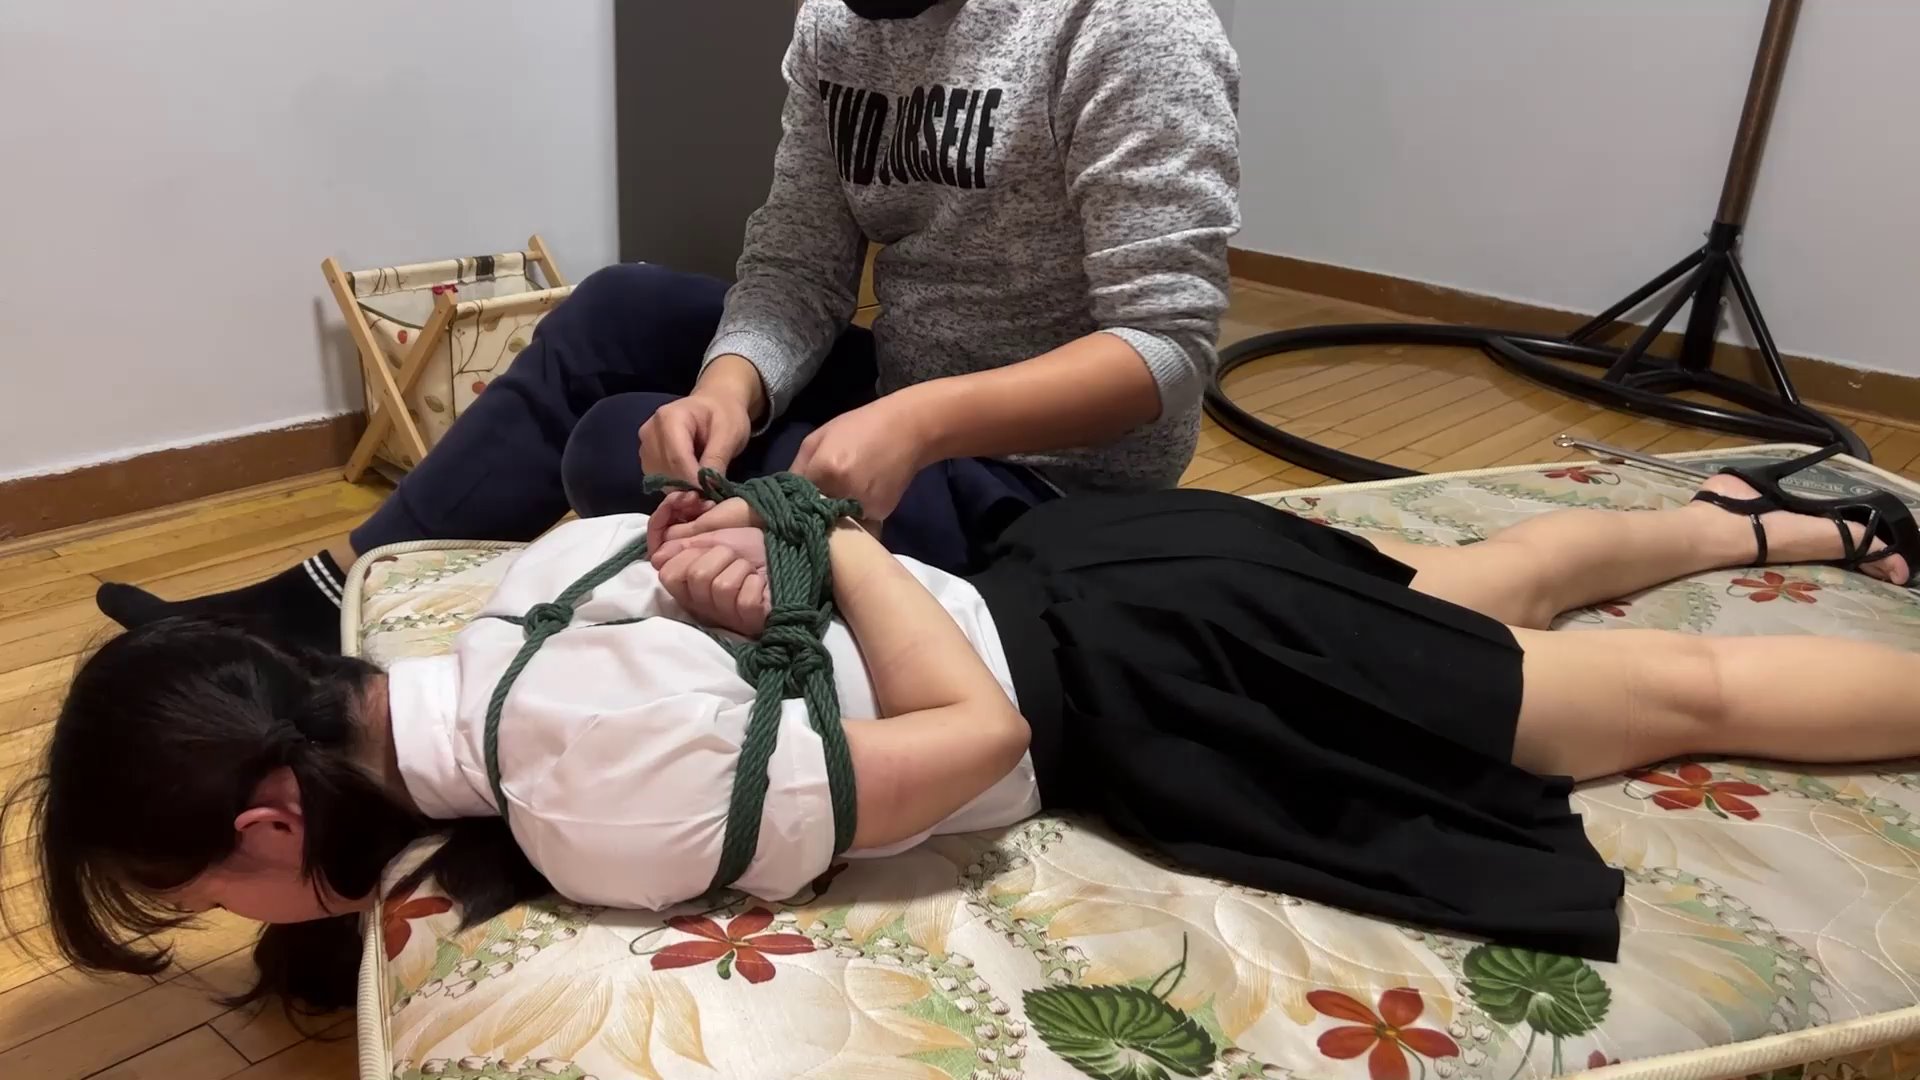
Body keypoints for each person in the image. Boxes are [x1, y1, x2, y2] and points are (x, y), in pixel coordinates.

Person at [15, 447, 1920, 1010]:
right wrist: (796, 548)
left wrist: (827, 547)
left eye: (196, 899)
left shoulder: (599, 805)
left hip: (1149, 670)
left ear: (271, 820)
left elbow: (978, 728)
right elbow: (769, 540)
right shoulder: (525, 587)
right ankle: (1787, 525)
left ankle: (1807, 542)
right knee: (1463, 590)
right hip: (1100, 566)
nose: (225, 928)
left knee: (1657, 702)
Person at [92, 0, 1241, 653]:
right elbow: (797, 265)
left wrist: (919, 423)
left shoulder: (1131, 26)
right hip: (907, 394)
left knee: (613, 450)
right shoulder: (837, 28)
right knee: (624, 307)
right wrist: (727, 389)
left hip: (1048, 480)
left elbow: (1166, 348)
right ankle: (326, 599)